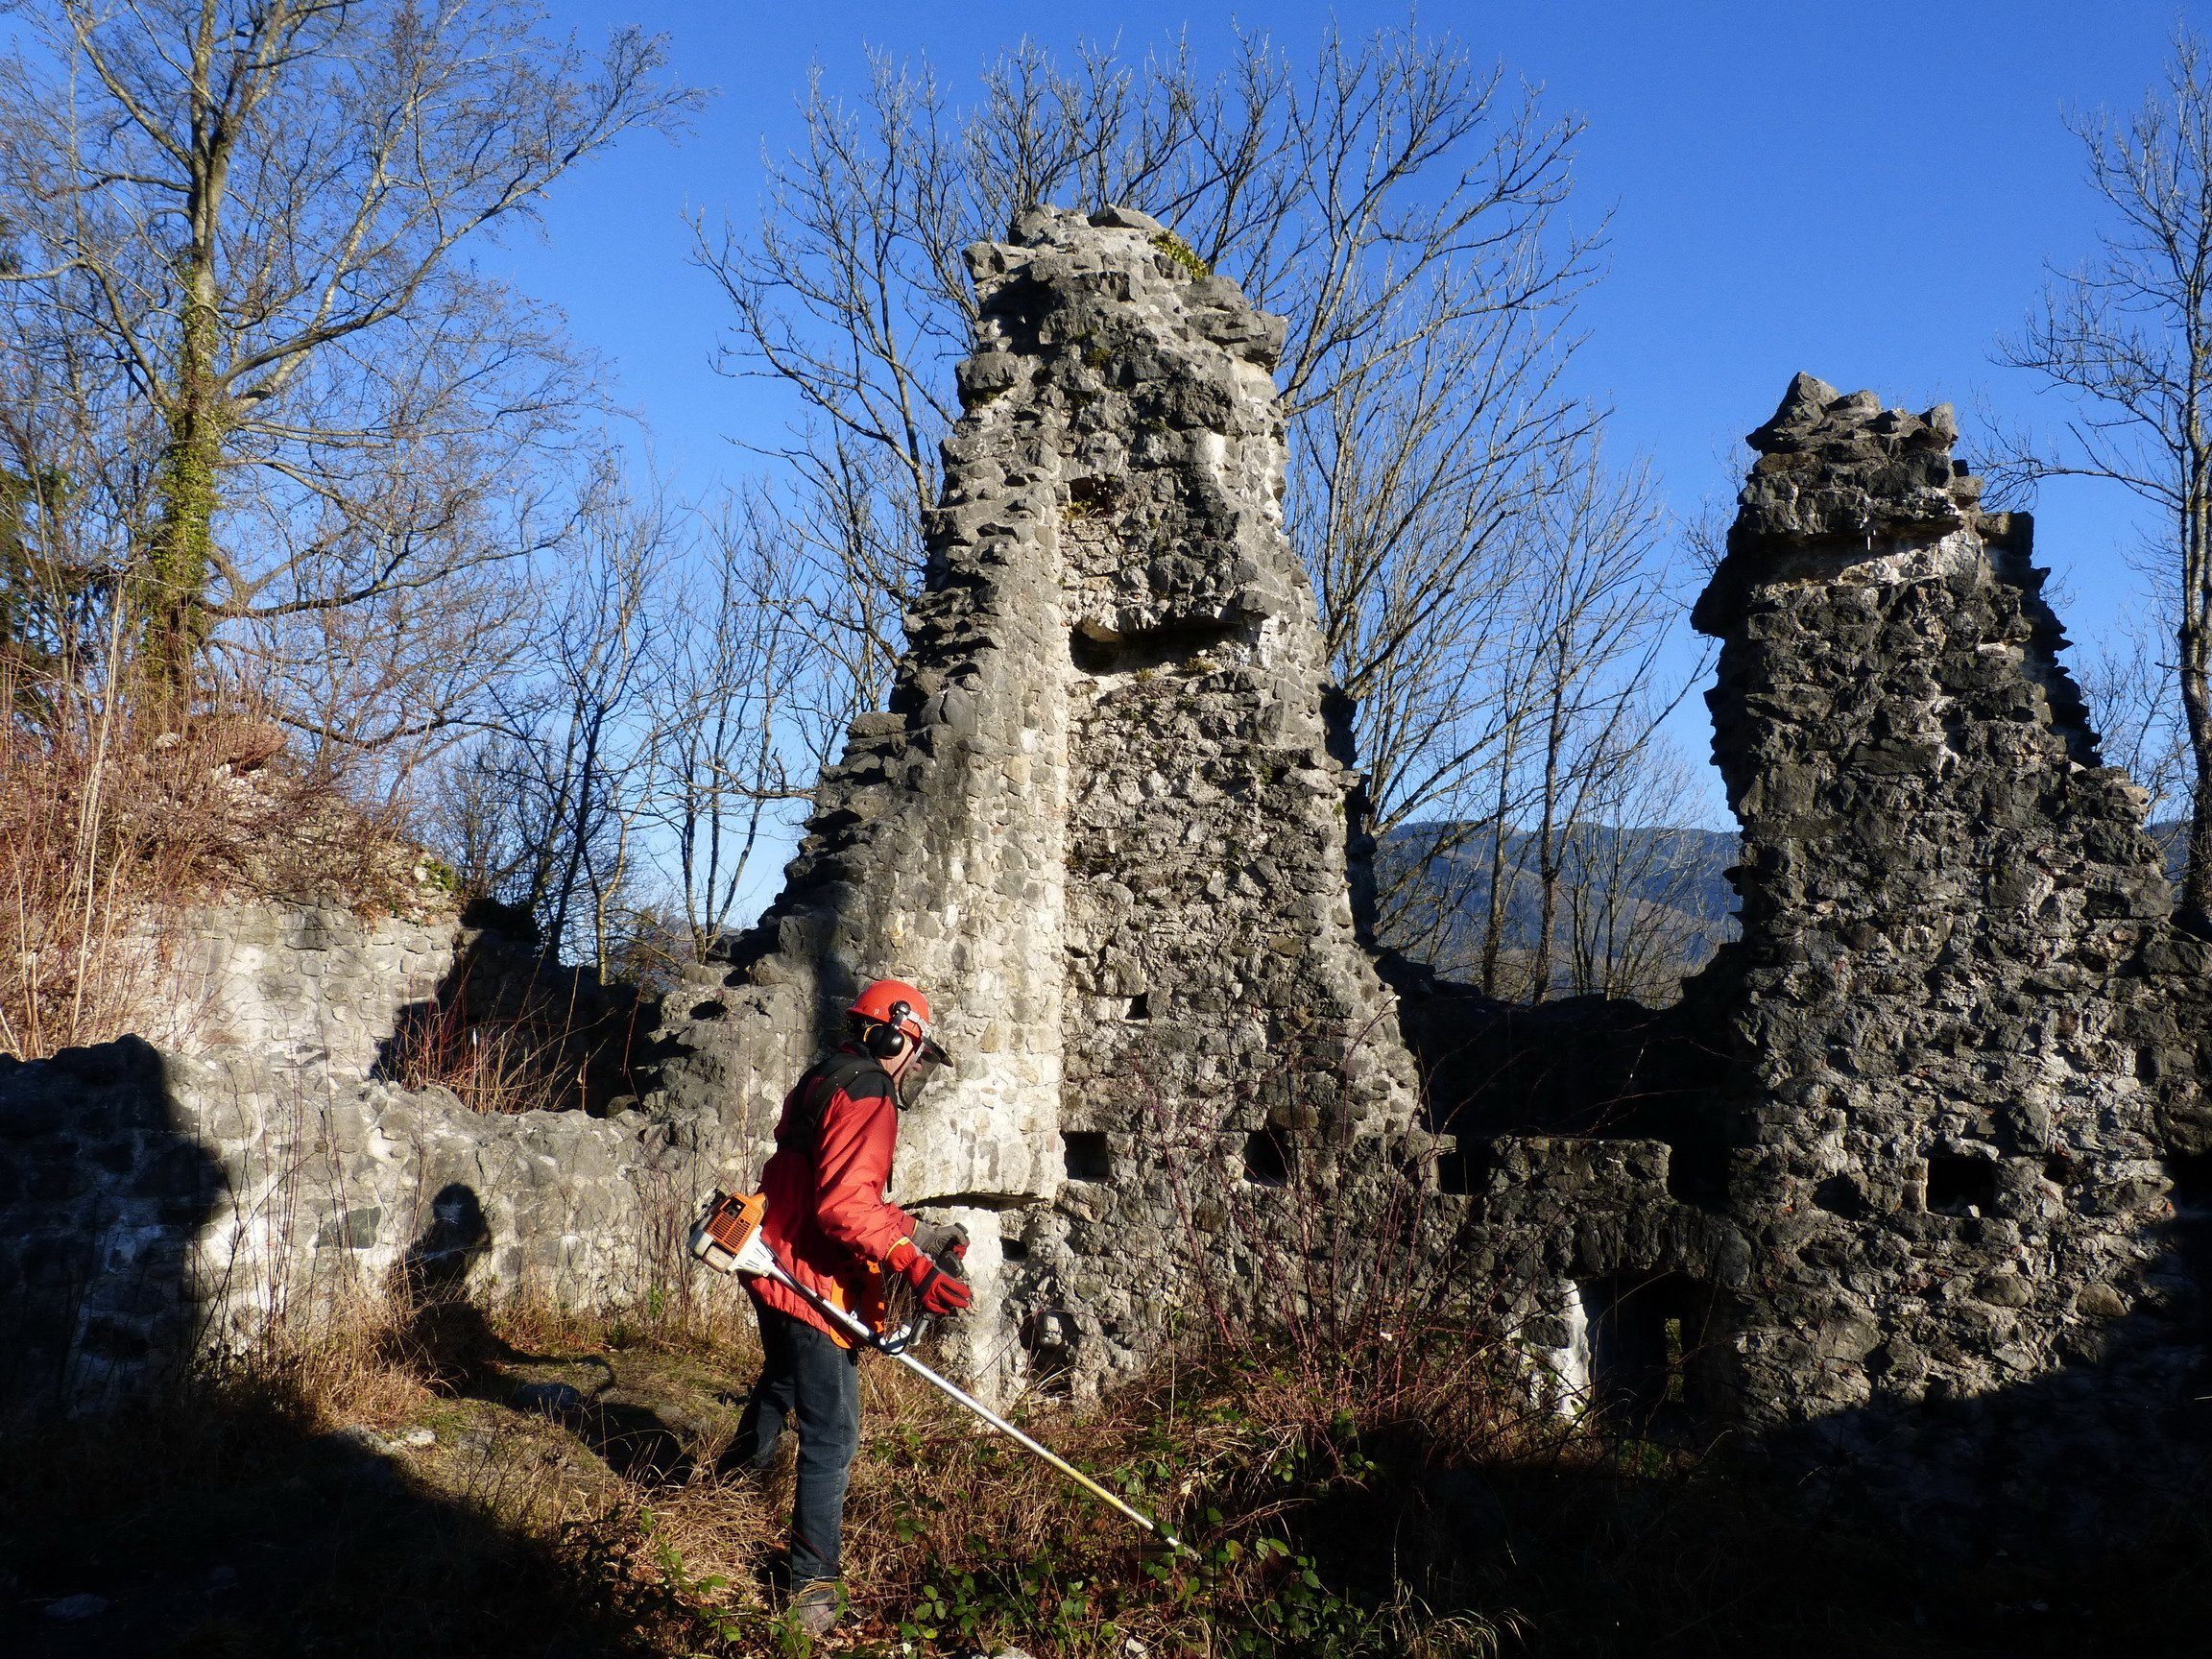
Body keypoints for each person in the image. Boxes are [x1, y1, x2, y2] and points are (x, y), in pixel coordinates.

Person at [720, 978, 973, 1638]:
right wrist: (912, 1263)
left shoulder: (823, 1075)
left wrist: (913, 1232)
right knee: (835, 1433)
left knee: (779, 1381)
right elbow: (843, 1206)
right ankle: (812, 1593)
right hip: (810, 1283)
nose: (913, 1063)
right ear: (895, 1036)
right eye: (914, 1049)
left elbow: (822, 1182)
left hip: (766, 1258)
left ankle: (722, 1494)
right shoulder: (870, 1093)